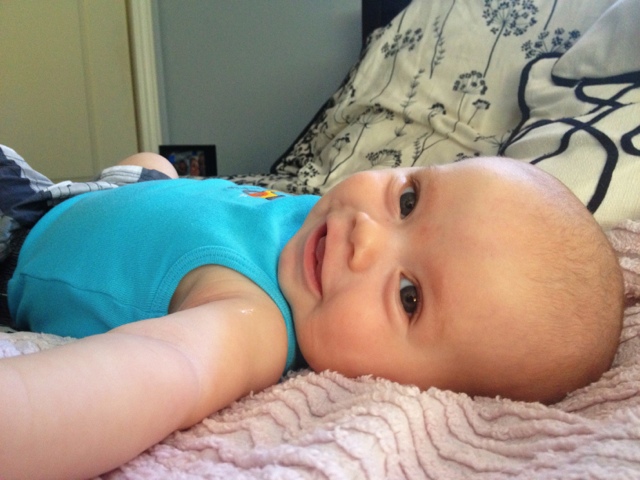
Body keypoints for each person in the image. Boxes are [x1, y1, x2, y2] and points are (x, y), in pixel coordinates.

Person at [0, 146, 624, 479]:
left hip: (22, 237)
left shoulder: (251, 324)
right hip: (115, 194)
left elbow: (150, 373)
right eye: (409, 200)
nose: (365, 235)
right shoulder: (323, 225)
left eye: (409, 296)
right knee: (153, 161)